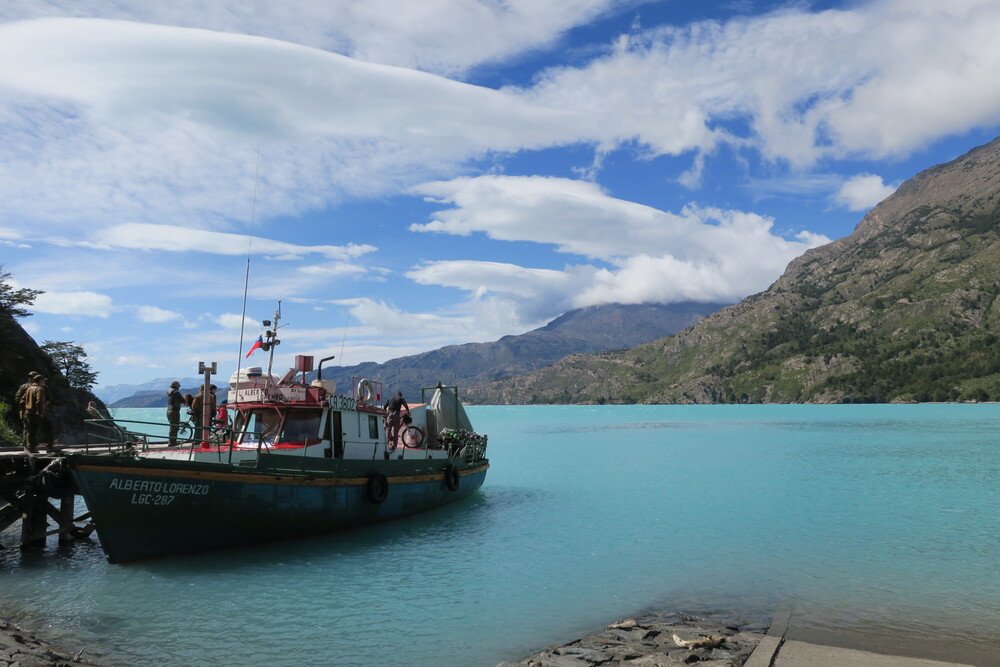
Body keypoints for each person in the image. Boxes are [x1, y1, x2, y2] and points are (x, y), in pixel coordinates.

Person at [21, 373, 51, 453]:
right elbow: (39, 401)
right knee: (34, 432)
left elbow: (22, 400)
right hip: (35, 413)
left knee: (29, 431)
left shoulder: (29, 388)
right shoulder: (39, 389)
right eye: (43, 381)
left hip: (27, 412)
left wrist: (24, 410)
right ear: (40, 380)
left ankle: (29, 448)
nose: (44, 382)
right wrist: (40, 412)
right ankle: (32, 449)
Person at [15, 371, 40, 448]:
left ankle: (29, 444)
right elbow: (17, 398)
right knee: (27, 427)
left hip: (35, 410)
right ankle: (26, 444)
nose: (30, 378)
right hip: (25, 410)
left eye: (32, 377)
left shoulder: (39, 387)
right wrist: (26, 403)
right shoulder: (24, 386)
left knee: (32, 428)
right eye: (29, 376)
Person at [166, 380, 185, 447]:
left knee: (172, 427)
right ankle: (172, 443)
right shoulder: (176, 392)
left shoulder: (169, 391)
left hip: (169, 410)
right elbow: (182, 400)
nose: (180, 386)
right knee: (175, 427)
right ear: (176, 385)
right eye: (178, 384)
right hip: (174, 411)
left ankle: (172, 441)